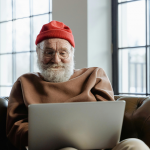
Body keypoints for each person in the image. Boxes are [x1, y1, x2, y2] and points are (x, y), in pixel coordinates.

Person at [6, 20, 149, 150]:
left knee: (135, 145)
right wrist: (48, 136)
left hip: (99, 147)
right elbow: (15, 128)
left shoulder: (95, 75)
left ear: (72, 53)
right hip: (53, 148)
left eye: (63, 52)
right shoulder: (24, 82)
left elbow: (110, 119)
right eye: (49, 52)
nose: (56, 59)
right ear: (38, 52)